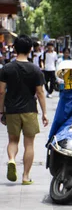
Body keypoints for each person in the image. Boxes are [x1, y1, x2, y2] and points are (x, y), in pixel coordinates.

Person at [0, 35, 48, 184]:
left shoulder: (6, 68)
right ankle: (26, 177)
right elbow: (40, 93)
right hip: (30, 110)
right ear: (30, 50)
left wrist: (1, 111)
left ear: (14, 48)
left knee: (13, 141)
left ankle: (12, 159)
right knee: (29, 144)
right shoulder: (35, 70)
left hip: (12, 110)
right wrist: (44, 113)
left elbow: (1, 92)